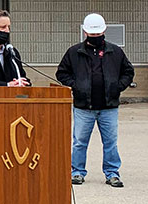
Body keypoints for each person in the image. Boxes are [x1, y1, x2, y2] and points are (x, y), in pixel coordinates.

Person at [56, 14, 135, 188]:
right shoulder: (74, 52)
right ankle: (76, 172)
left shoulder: (115, 52)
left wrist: (118, 87)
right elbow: (62, 73)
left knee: (110, 142)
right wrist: (75, 86)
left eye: (97, 34)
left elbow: (128, 72)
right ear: (85, 32)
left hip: (109, 106)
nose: (95, 37)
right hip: (84, 107)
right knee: (79, 142)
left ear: (104, 31)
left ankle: (112, 173)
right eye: (92, 35)